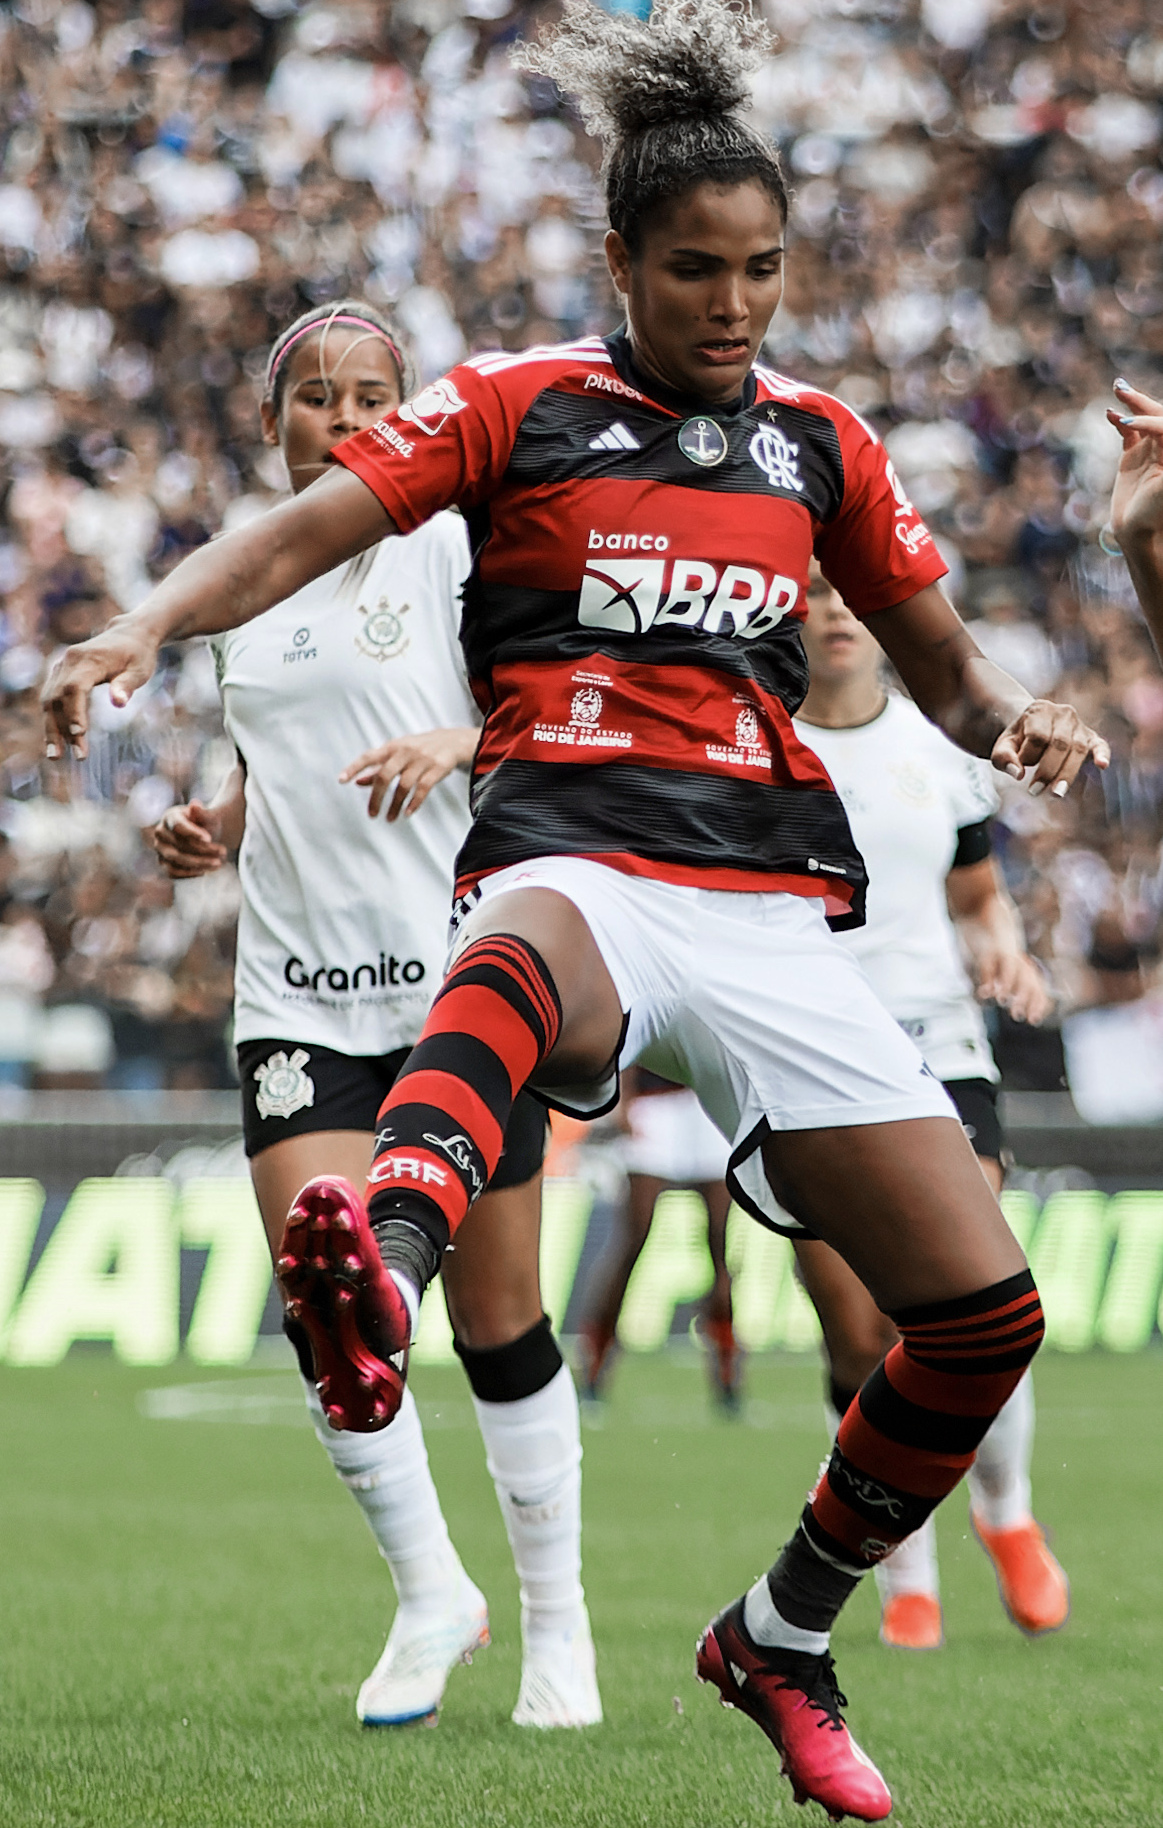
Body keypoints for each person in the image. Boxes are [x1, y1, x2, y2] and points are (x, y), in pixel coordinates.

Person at [43, 4, 1109, 1817]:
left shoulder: (818, 445)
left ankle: (777, 1631)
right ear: (618, 261)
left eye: (760, 269)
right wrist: (148, 623)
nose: (732, 302)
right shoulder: (515, 406)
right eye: (693, 268)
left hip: (771, 906)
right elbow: (298, 535)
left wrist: (1007, 719)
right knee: (527, 944)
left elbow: (931, 650)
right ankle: (380, 1249)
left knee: (979, 1313)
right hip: (572, 857)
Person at [148, 298, 601, 1733]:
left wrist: (458, 738)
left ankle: (557, 1628)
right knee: (328, 1310)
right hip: (295, 997)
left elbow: (570, 704)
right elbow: (267, 754)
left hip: (465, 991)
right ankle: (427, 1591)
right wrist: (218, 826)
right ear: (271, 419)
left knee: (498, 1320)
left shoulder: (459, 542)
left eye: (370, 397)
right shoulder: (242, 579)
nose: (343, 421)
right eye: (315, 399)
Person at [791, 567, 1070, 1651]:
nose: (833, 611)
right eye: (810, 594)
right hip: (806, 1063)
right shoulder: (754, 750)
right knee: (856, 1336)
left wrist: (1001, 952)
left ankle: (1003, 1516)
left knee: (965, 1306)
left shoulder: (937, 752)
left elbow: (973, 898)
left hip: (937, 1053)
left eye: (848, 594)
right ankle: (902, 1568)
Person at [577, 1068, 741, 1407]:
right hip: (655, 1105)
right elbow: (633, 1026)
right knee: (632, 1241)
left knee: (719, 1245)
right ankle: (594, 1366)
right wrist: (622, 1097)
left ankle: (727, 1375)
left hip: (707, 1107)